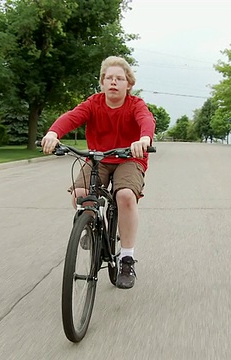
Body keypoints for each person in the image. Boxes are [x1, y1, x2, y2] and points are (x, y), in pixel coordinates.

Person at [40, 56, 156, 289]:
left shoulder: (135, 104)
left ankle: (126, 258)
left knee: (124, 196)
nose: (114, 82)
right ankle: (91, 225)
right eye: (109, 78)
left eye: (119, 78)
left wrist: (144, 139)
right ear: (102, 83)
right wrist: (53, 133)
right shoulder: (93, 103)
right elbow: (71, 117)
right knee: (80, 193)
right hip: (99, 158)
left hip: (129, 158)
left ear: (128, 84)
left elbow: (146, 120)